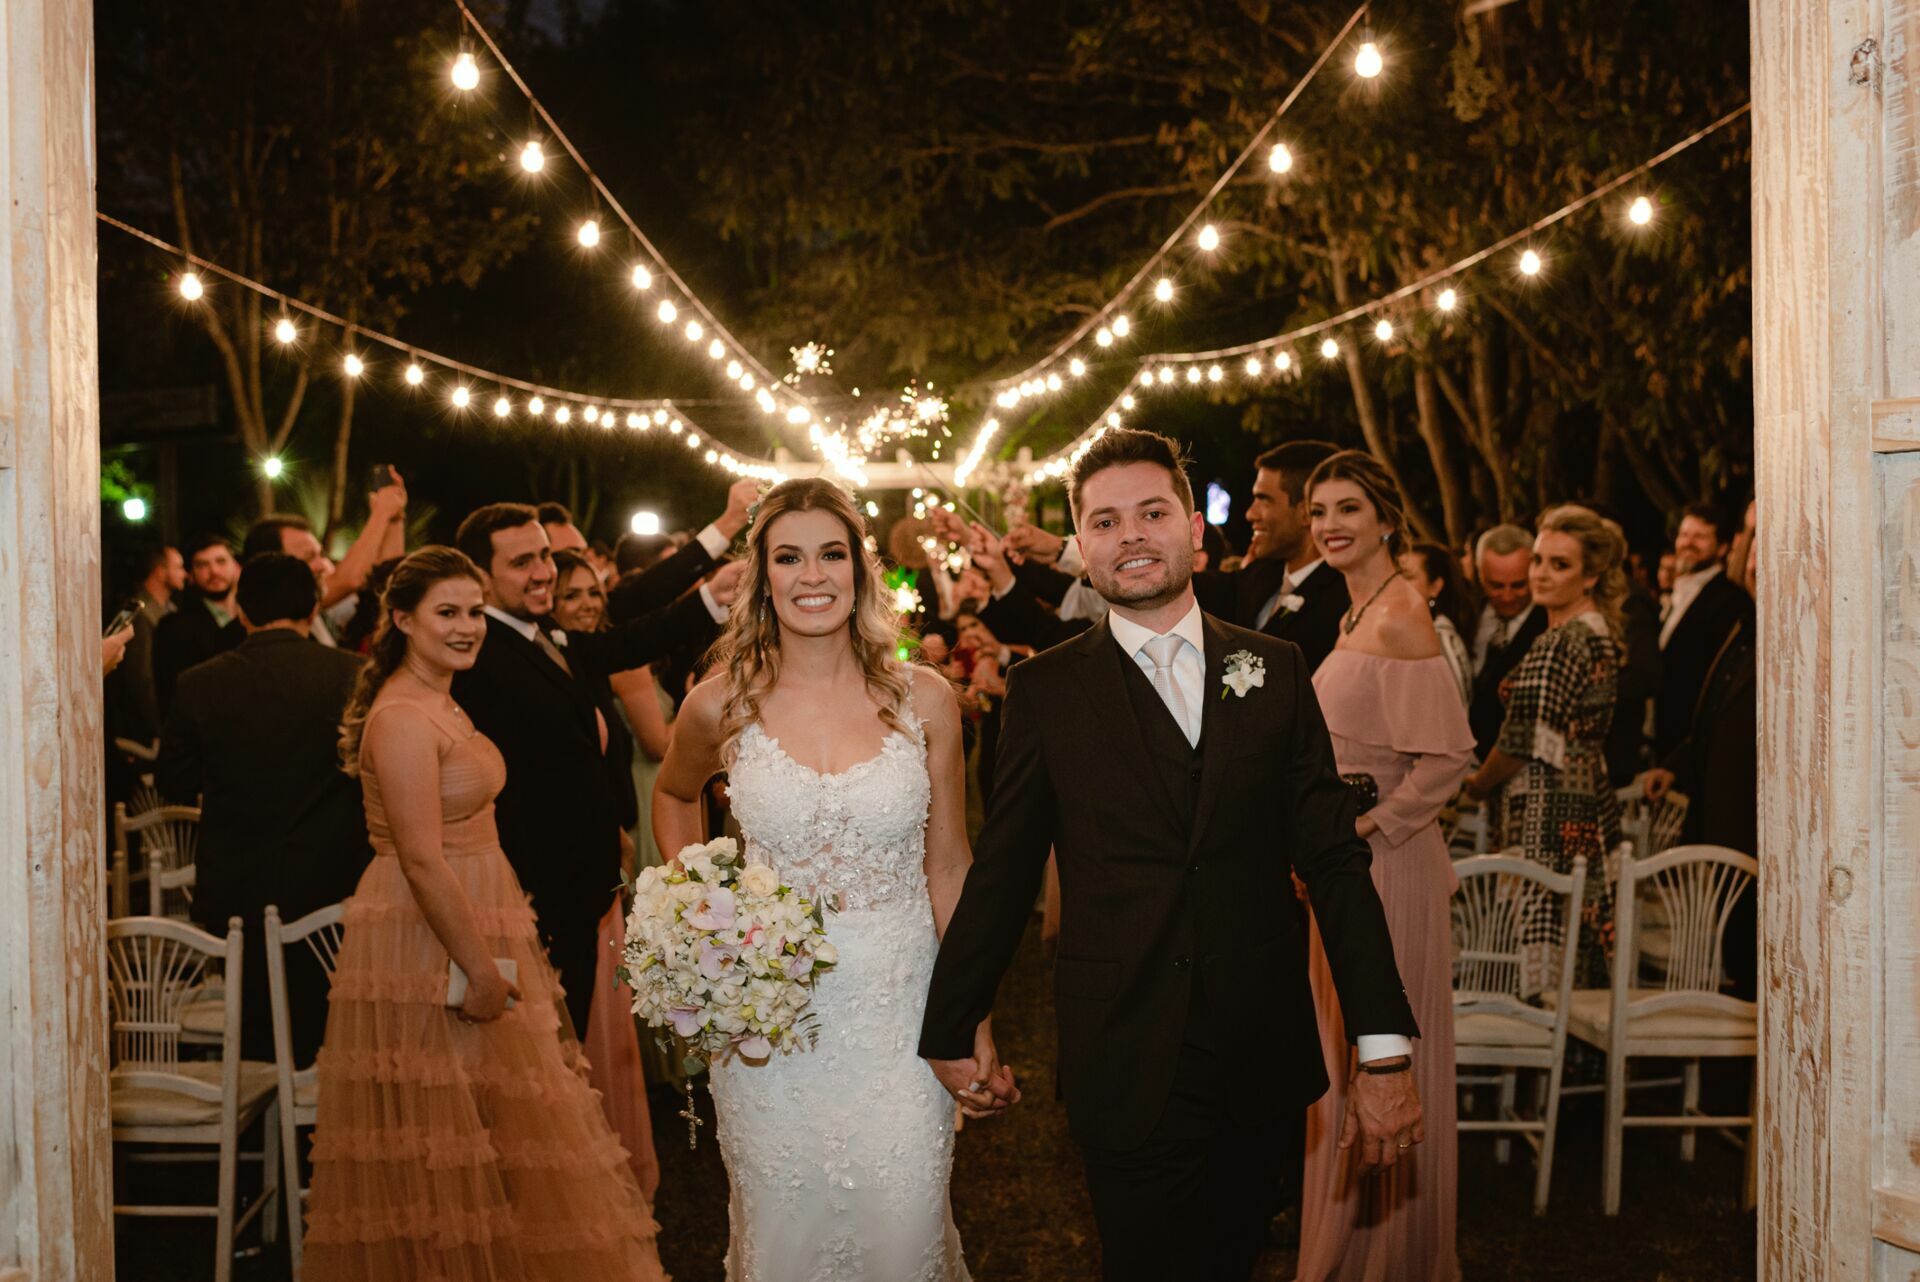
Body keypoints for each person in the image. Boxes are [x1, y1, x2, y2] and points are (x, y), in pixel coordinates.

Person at [920, 428, 1422, 1282]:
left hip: (1256, 1047)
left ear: (1193, 530)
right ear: (1082, 548)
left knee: (1231, 1261)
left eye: (1152, 513)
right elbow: (1004, 870)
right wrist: (953, 1021)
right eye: (1106, 522)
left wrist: (1384, 1051)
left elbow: (1336, 864)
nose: (1132, 537)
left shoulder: (1276, 668)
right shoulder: (1045, 692)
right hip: (1122, 1048)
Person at [653, 477, 987, 1280]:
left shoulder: (928, 700)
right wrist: (699, 908)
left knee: (905, 1235)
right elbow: (672, 796)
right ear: (761, 575)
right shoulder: (719, 705)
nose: (813, 576)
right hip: (768, 1031)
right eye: (789, 557)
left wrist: (971, 1017)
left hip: (901, 1015)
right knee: (787, 1240)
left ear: (861, 569)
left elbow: (949, 864)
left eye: (831, 554)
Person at [304, 547, 667, 1279]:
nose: (468, 627)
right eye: (448, 613)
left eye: (473, 611)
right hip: (427, 930)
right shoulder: (402, 716)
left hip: (482, 912)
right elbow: (419, 858)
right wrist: (478, 967)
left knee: (497, 1127)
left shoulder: (447, 697)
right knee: (443, 1135)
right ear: (402, 620)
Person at [449, 501, 744, 1034]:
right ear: (480, 578)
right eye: (522, 563)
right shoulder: (481, 654)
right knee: (540, 1047)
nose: (543, 572)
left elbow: (627, 639)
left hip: (578, 889)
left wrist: (707, 596)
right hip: (535, 894)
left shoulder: (542, 635)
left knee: (567, 1044)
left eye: (545, 556)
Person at [1295, 454, 1472, 1282]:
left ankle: (1389, 1260)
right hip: (1352, 864)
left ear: (1387, 518)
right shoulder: (1359, 605)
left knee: (1381, 1053)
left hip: (1390, 867)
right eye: (1319, 510)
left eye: (1349, 509)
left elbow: (1447, 761)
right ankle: (1347, 1247)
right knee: (1343, 1051)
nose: (1331, 524)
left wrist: (1365, 828)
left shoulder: (1403, 613)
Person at [155, 552, 372, 1062]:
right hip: (334, 882)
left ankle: (258, 1129)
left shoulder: (198, 682)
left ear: (243, 609)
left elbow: (174, 783)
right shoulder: (354, 675)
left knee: (258, 1029)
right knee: (334, 1028)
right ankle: (321, 1131)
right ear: (314, 605)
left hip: (239, 887)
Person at [1463, 506, 1628, 992]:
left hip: (1548, 814)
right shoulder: (1592, 631)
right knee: (1574, 948)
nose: (1541, 574)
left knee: (1544, 962)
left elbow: (1521, 740)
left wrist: (1476, 784)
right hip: (1581, 805)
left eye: (1560, 565)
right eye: (1538, 560)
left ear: (1592, 575)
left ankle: (1547, 1064)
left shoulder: (1563, 641)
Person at [548, 547, 662, 1199]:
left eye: (594, 592)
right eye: (573, 596)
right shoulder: (577, 670)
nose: (588, 603)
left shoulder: (590, 665)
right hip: (588, 854)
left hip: (610, 839)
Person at [1647, 500, 1757, 998]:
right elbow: (1717, 715)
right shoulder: (1746, 624)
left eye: (1763, 539)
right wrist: (1676, 764)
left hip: (1754, 851)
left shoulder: (1743, 616)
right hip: (1722, 834)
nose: (1752, 557)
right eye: (1749, 538)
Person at [244, 481, 406, 645]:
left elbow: (387, 577)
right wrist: (382, 512)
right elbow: (349, 580)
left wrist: (395, 517)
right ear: (271, 565)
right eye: (308, 557)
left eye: (320, 554)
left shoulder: (327, 613)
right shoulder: (271, 614)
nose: (322, 565)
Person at [1654, 503, 1753, 757]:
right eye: (1684, 535)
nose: (1688, 543)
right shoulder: (1675, 592)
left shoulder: (1728, 600)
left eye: (1699, 537)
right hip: (1665, 735)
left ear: (1721, 547)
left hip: (1695, 741)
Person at [1466, 524, 1547, 759]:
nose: (1508, 596)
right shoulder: (1468, 616)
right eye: (1496, 585)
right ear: (1480, 575)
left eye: (1519, 585)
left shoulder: (1549, 624)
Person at [153, 533, 245, 715]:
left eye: (221, 561)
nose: (214, 572)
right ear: (192, 575)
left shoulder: (256, 619)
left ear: (236, 567)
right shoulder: (173, 627)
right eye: (203, 565)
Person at [108, 545, 186, 744]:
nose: (184, 574)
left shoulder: (170, 610)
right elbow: (141, 677)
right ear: (160, 572)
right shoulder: (142, 615)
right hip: (145, 733)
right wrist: (160, 729)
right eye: (178, 567)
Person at [1400, 541, 1474, 705]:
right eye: (1394, 576)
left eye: (1408, 577)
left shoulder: (1439, 639)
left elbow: (1455, 711)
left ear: (1435, 586)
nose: (1397, 585)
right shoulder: (1417, 634)